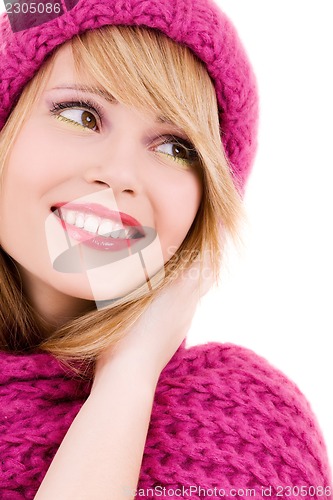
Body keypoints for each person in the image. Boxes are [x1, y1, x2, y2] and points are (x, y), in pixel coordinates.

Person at [0, 0, 331, 498]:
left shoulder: (244, 432)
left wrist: (128, 377)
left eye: (176, 148)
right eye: (81, 115)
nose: (120, 175)